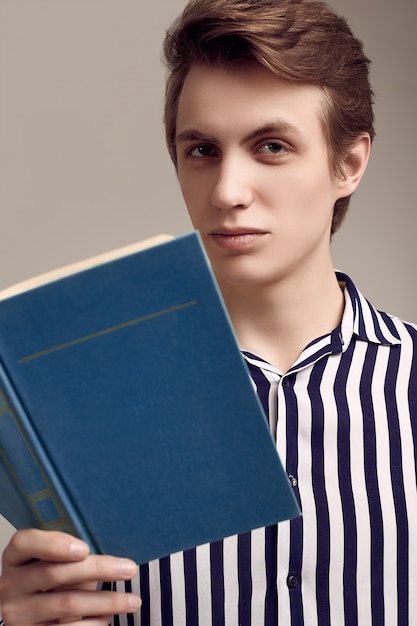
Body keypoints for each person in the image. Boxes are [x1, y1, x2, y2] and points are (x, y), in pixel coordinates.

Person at [1, 0, 416, 624]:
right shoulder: (90, 409)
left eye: (271, 146)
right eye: (201, 150)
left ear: (348, 164)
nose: (227, 192)